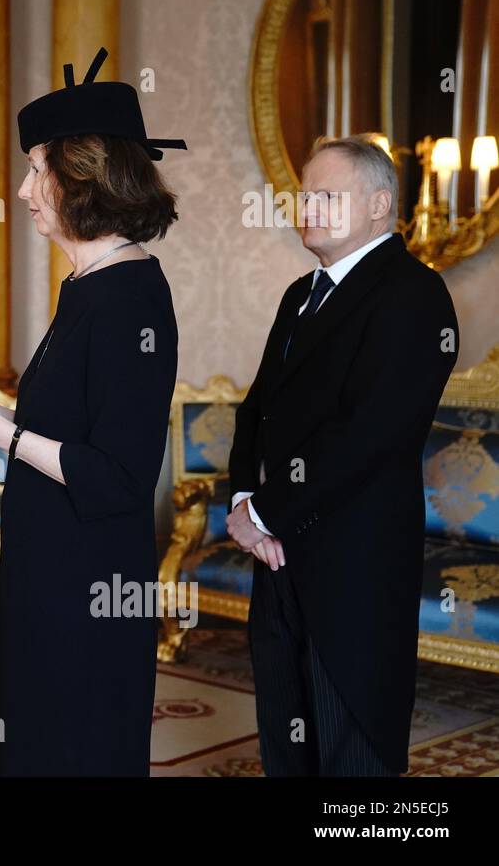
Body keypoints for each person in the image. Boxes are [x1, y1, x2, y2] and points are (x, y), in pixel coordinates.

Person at [0, 49, 185, 775]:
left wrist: (0, 431)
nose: (26, 189)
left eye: (38, 169)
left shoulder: (129, 299)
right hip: (52, 574)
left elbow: (119, 478)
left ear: (84, 178)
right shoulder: (89, 287)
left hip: (89, 588)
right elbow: (72, 423)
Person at [228, 135, 458, 776]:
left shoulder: (415, 296)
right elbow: (256, 410)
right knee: (286, 730)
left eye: (327, 196)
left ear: (380, 204)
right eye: (306, 195)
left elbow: (369, 434)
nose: (310, 207)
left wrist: (267, 511)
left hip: (355, 560)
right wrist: (244, 498)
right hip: (277, 554)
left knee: (352, 742)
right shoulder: (299, 294)